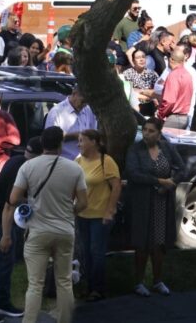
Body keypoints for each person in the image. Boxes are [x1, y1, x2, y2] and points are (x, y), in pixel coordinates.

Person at [1, 126, 87, 323]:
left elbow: (13, 198)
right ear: (60, 144)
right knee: (64, 281)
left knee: (35, 284)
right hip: (65, 230)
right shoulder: (75, 168)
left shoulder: (28, 167)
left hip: (37, 231)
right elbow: (83, 203)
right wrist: (69, 212)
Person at [0, 137, 41, 323]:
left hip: (0, 217)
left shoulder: (17, 160)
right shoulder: (21, 170)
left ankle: (2, 302)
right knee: (4, 260)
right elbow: (9, 205)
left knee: (9, 260)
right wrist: (5, 235)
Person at [125, 117, 185, 297]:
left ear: (159, 134)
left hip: (161, 201)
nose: (146, 134)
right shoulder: (135, 149)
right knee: (141, 243)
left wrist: (171, 183)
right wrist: (158, 181)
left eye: (151, 131)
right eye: (144, 130)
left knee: (159, 243)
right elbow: (133, 173)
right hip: (142, 201)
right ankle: (139, 282)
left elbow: (182, 168)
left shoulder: (166, 147)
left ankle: (158, 281)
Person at [76, 129, 121, 301]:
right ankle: (87, 286)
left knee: (97, 251)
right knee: (85, 252)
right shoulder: (78, 161)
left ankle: (98, 288)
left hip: (100, 215)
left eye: (82, 140)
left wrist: (110, 210)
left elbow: (116, 186)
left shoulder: (106, 161)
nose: (79, 144)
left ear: (94, 142)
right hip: (82, 214)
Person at [44, 88, 98, 160]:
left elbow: (94, 132)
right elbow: (51, 139)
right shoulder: (56, 112)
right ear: (74, 94)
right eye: (83, 101)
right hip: (66, 161)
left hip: (86, 162)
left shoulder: (87, 110)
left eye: (87, 102)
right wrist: (75, 136)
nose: (85, 105)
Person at [156, 51, 193, 130]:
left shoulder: (173, 75)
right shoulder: (187, 74)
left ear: (171, 60)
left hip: (174, 119)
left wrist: (160, 114)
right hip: (184, 117)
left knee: (163, 141)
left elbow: (169, 101)